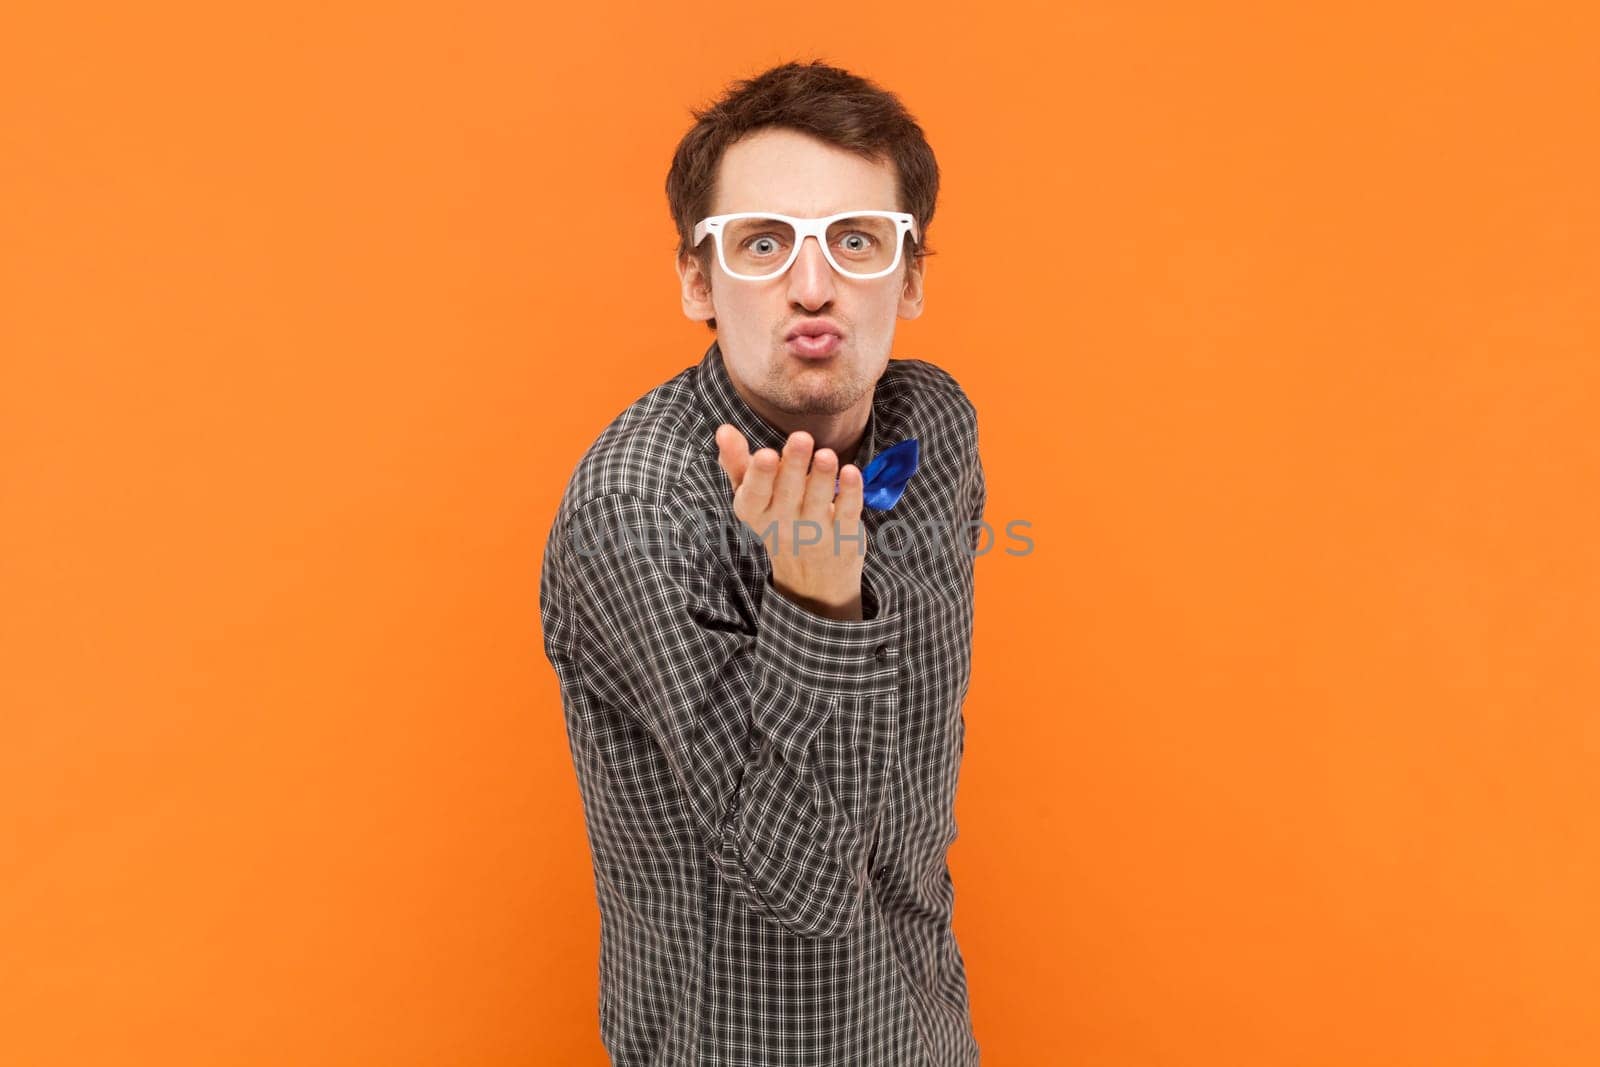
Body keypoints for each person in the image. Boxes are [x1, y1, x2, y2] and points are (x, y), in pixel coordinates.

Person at [539, 59, 985, 1066]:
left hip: (924, 1025)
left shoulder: (937, 431)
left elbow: (911, 788)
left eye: (856, 240)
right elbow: (806, 885)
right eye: (764, 242)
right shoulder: (636, 511)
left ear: (910, 276)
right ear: (698, 278)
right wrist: (817, 601)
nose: (813, 285)